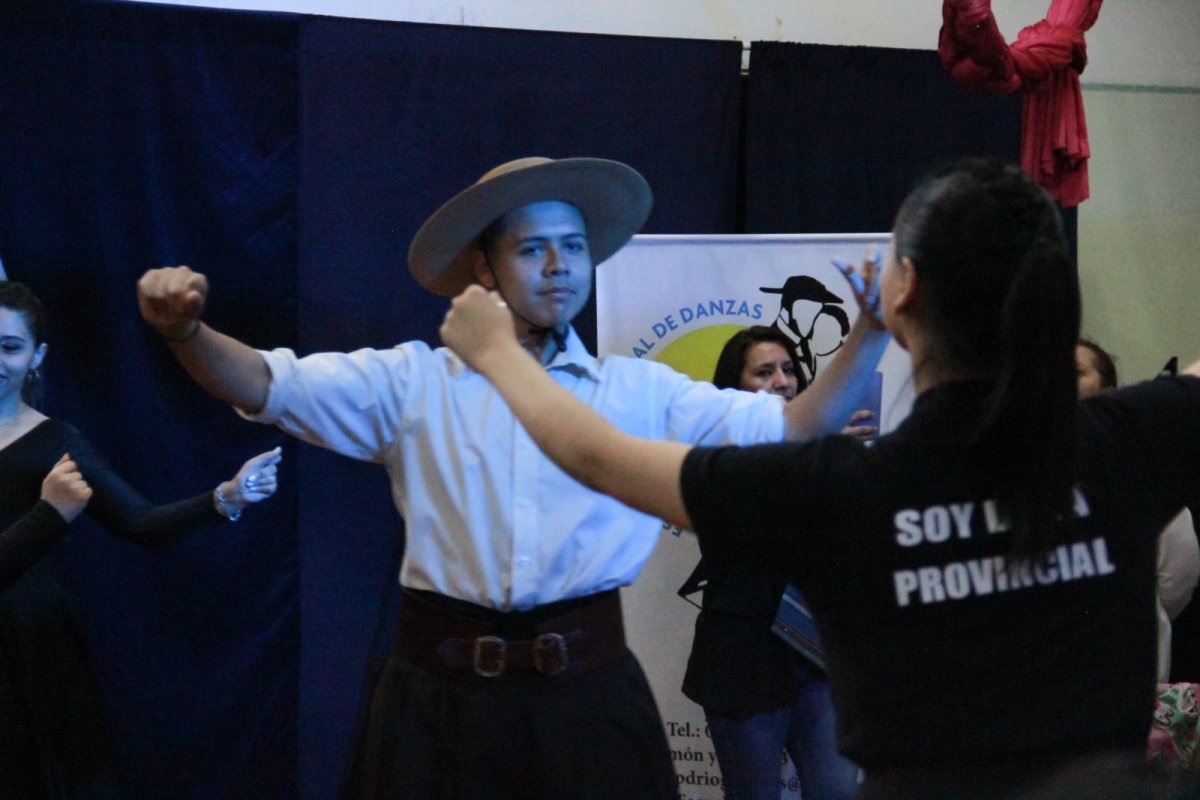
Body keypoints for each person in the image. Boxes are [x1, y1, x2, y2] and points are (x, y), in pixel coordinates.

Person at [439, 158, 1200, 799]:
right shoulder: (1131, 440)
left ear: (903, 293)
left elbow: (598, 457)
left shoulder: (837, 488)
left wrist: (499, 354)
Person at [135, 156, 889, 800]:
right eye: (534, 249)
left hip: (591, 699)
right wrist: (185, 332)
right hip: (437, 702)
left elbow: (797, 426)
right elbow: (262, 383)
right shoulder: (412, 381)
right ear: (483, 267)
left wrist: (871, 331)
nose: (560, 265)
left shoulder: (640, 391)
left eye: (574, 246)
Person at [0, 280, 282, 798]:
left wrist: (226, 496)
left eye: (9, 346)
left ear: (36, 357)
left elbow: (141, 522)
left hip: (29, 648)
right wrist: (49, 514)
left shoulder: (56, 442)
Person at [684, 325, 864, 800]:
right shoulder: (714, 457)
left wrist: (844, 464)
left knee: (838, 792)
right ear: (735, 387)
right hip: (742, 658)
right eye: (764, 372)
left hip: (815, 653)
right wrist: (810, 457)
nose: (782, 381)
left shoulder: (823, 449)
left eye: (788, 369)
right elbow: (755, 533)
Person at [1075, 338, 1199, 683]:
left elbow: (1179, 580)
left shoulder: (1141, 467)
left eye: (1076, 372)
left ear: (1109, 392)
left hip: (1134, 677)